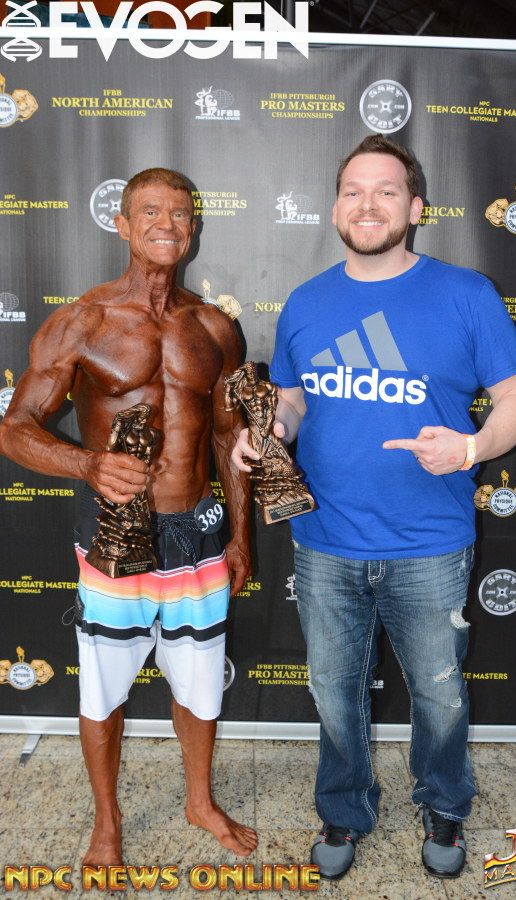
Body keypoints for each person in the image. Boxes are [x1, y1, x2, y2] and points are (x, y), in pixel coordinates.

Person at [232, 134, 516, 880]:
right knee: (334, 692)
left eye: (387, 191)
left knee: (440, 694)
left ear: (416, 207)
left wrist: (470, 448)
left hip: (430, 542)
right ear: (336, 206)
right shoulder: (307, 302)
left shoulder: (466, 294)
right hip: (325, 539)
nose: (368, 204)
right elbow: (295, 403)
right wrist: (267, 435)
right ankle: (344, 807)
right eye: (354, 191)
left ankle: (445, 803)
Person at [0, 168, 257, 865]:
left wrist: (240, 536)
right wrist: (87, 465)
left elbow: (230, 437)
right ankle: (107, 822)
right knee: (104, 689)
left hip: (197, 534)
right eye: (149, 212)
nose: (166, 225)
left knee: (199, 685)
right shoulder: (82, 321)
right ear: (122, 224)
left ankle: (199, 801)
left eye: (179, 213)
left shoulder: (215, 326)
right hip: (116, 535)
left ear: (193, 227)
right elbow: (15, 429)